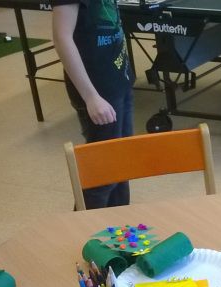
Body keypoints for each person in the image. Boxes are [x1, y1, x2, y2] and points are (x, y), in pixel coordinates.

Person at [51, 0, 135, 209]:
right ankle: (84, 227)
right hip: (98, 91)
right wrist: (91, 97)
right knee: (102, 178)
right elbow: (62, 38)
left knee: (122, 168)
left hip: (119, 80)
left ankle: (118, 224)